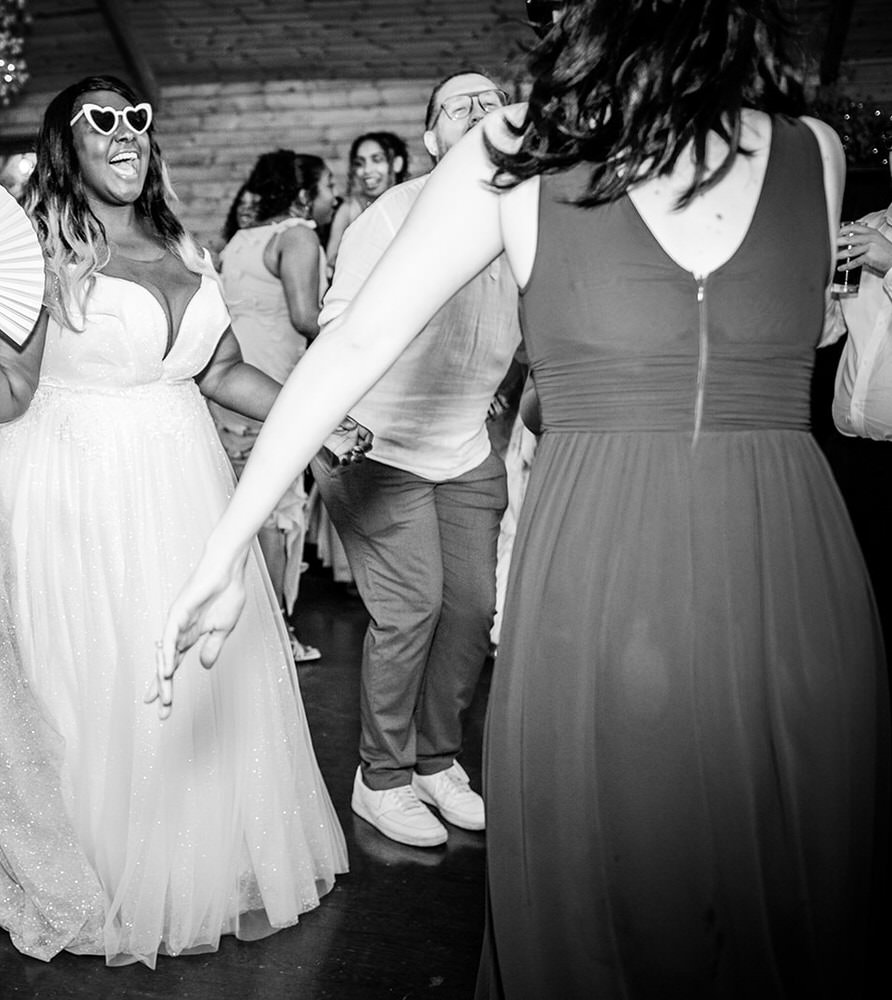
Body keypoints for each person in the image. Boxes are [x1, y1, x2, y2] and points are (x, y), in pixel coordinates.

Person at [159, 2, 886, 995]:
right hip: (603, 575)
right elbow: (355, 343)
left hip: (793, 581)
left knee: (800, 884)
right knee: (615, 902)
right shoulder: (514, 152)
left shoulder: (815, 150)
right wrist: (225, 544)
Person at [0, 75, 347, 967]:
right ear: (68, 146)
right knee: (103, 675)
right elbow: (7, 401)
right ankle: (98, 868)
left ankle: (192, 857)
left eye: (137, 118)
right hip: (78, 495)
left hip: (180, 486)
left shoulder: (180, 240)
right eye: (102, 121)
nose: (125, 133)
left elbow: (223, 368)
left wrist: (316, 418)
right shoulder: (49, 250)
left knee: (195, 676)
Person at [310, 70, 519, 849]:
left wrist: (501, 382)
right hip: (376, 445)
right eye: (458, 105)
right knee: (414, 608)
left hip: (464, 446)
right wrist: (335, 423)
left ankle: (436, 763)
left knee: (470, 609)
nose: (479, 108)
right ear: (432, 140)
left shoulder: (525, 217)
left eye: (494, 98)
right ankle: (382, 779)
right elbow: (337, 322)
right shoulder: (393, 213)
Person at [209, 149, 343, 662]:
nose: (335, 195)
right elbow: (308, 317)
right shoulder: (299, 235)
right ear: (304, 193)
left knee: (242, 507)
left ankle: (242, 632)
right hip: (274, 391)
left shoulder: (243, 240)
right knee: (277, 512)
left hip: (232, 386)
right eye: (329, 185)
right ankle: (276, 635)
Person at [822, 161, 892, 641]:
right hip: (852, 453)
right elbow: (826, 333)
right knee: (853, 606)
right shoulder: (865, 228)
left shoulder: (881, 248)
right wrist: (819, 289)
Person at [325, 131, 409, 273]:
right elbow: (330, 264)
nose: (367, 170)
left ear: (396, 164)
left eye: (377, 160)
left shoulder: (412, 203)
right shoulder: (349, 210)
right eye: (360, 163)